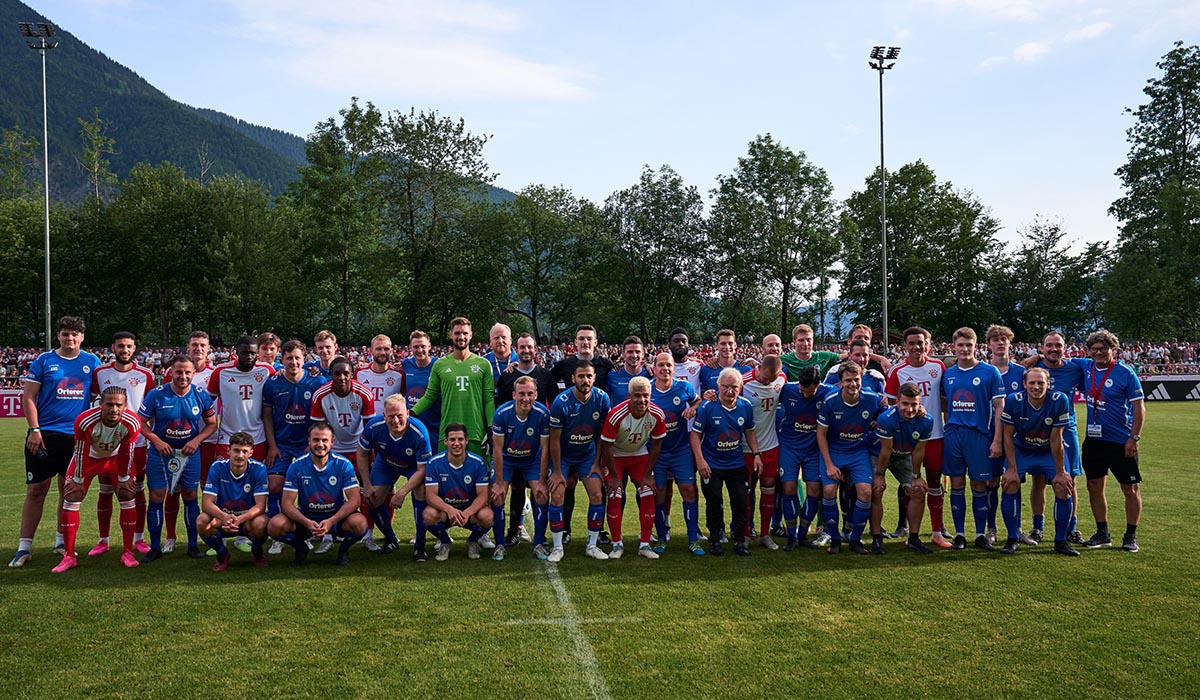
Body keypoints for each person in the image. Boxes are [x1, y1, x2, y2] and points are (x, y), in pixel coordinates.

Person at [11, 316, 101, 569]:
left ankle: (61, 543)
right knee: (36, 490)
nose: (69, 338)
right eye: (65, 334)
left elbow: (100, 398)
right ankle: (23, 547)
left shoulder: (92, 362)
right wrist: (34, 429)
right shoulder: (44, 361)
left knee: (68, 490)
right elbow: (29, 397)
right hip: (44, 435)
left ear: (82, 337)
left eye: (75, 334)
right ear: (58, 336)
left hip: (77, 438)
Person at [137, 354, 218, 563]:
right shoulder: (156, 394)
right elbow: (141, 421)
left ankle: (192, 546)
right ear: (170, 372)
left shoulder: (200, 395)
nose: (183, 376)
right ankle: (155, 547)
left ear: (193, 373)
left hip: (189, 453)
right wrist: (156, 440)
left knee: (190, 494)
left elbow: (211, 424)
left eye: (187, 372)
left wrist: (197, 440)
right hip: (161, 452)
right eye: (179, 372)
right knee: (157, 495)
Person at [53, 387, 143, 573]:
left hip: (116, 459)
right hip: (89, 459)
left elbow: (128, 451)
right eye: (109, 404)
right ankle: (69, 555)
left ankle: (127, 551)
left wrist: (125, 477)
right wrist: (77, 479)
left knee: (127, 494)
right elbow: (80, 451)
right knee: (72, 496)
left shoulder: (132, 422)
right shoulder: (85, 420)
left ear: (125, 406)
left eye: (119, 405)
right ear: (100, 404)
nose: (114, 409)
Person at [1078, 329, 1145, 552]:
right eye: (1094, 349)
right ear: (1089, 350)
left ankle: (1130, 535)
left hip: (1121, 441)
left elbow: (1139, 407)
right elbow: (1055, 359)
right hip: (1094, 441)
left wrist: (1133, 438)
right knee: (1094, 486)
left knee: (1130, 488)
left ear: (1112, 349)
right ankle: (1102, 532)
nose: (1098, 352)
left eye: (1103, 348)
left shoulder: (1125, 373)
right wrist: (1035, 357)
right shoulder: (1086, 367)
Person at [89, 331, 155, 557]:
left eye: (128, 346)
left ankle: (139, 538)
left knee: (136, 490)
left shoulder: (146, 374)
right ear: (113, 348)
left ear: (134, 349)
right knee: (105, 490)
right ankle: (103, 540)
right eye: (120, 346)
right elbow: (95, 404)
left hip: (137, 444)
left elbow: (149, 409)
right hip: (107, 443)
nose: (124, 350)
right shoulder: (100, 373)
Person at [999, 368, 1078, 556]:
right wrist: (1011, 468)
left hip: (1047, 451)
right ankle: (1012, 538)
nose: (1036, 387)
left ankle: (1060, 541)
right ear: (1024, 384)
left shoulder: (1059, 400)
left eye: (1041, 383)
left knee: (1062, 485)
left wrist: (1060, 472)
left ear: (1048, 384)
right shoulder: (1013, 400)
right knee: (1010, 483)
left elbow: (1056, 439)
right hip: (1022, 450)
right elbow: (1008, 435)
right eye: (1032, 383)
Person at [884, 327, 950, 548]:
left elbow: (944, 397)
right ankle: (905, 527)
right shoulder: (897, 371)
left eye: (920, 342)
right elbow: (890, 404)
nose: (916, 347)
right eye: (911, 343)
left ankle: (937, 530)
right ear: (905, 346)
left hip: (934, 434)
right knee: (909, 482)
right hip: (906, 439)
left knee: (933, 482)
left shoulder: (938, 367)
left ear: (927, 344)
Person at [940, 327, 1005, 551]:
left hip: (979, 436)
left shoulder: (989, 372)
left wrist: (996, 440)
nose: (965, 349)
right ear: (954, 347)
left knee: (979, 484)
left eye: (969, 345)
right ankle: (959, 534)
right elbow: (944, 404)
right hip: (954, 436)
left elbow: (999, 408)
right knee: (957, 483)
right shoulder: (948, 374)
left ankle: (979, 534)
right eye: (961, 345)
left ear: (976, 346)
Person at [268, 421, 368, 566]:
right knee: (275, 526)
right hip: (307, 519)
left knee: (360, 523)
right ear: (308, 441)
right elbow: (286, 504)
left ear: (332, 441)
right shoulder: (296, 466)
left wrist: (331, 521)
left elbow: (355, 500)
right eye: (315, 440)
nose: (320, 444)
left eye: (324, 440)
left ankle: (343, 551)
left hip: (335, 518)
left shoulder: (343, 464)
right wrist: (307, 522)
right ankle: (300, 547)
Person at [1021, 331, 1087, 545]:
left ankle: (1071, 528)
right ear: (1042, 348)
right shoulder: (1033, 368)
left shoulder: (1075, 367)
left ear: (1065, 347)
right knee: (1038, 481)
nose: (1053, 349)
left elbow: (1097, 361)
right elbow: (1018, 367)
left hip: (1066, 431)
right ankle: (1037, 528)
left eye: (1058, 345)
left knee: (1069, 480)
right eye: (1049, 345)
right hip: (1038, 432)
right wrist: (1034, 359)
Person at [691, 367, 761, 557]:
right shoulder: (707, 407)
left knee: (740, 500)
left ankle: (739, 540)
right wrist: (700, 461)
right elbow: (695, 435)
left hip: (736, 463)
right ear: (718, 386)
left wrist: (756, 454)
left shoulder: (745, 406)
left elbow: (750, 431)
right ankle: (715, 539)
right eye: (725, 386)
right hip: (712, 464)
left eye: (734, 387)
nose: (730, 391)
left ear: (740, 387)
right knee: (714, 502)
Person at [261, 340, 323, 553]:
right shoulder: (272, 383)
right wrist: (272, 445)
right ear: (282, 359)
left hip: (308, 445)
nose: (293, 362)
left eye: (297, 357)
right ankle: (278, 534)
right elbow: (267, 416)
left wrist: (312, 444)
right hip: (282, 445)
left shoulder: (316, 382)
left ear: (304, 359)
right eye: (289, 358)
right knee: (275, 485)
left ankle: (309, 532)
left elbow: (321, 417)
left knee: (310, 487)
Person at [494, 333, 556, 547]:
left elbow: (552, 404)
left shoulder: (545, 375)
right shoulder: (507, 375)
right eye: (522, 347)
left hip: (534, 445)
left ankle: (549, 534)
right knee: (515, 488)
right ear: (516, 350)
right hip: (511, 445)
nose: (526, 351)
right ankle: (513, 531)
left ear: (535, 349)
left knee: (540, 489)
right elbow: (501, 408)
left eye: (529, 347)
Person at [816, 361, 884, 554]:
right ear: (841, 382)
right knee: (829, 490)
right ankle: (835, 539)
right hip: (834, 451)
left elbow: (888, 411)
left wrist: (878, 421)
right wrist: (829, 464)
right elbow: (820, 434)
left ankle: (855, 539)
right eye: (848, 380)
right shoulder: (831, 401)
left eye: (856, 379)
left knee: (865, 492)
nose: (853, 384)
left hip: (858, 451)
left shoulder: (872, 399)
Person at [310, 357, 375, 552]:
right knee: (328, 492)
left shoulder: (363, 393)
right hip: (333, 449)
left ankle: (368, 534)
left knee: (366, 491)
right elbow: (319, 430)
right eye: (337, 373)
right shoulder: (320, 395)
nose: (342, 377)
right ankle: (327, 535)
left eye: (346, 373)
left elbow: (369, 429)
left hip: (359, 448)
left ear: (352, 374)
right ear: (330, 375)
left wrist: (366, 454)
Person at [356, 395, 433, 561]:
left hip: (413, 466)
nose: (396, 420)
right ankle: (391, 538)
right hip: (386, 463)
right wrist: (367, 484)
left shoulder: (419, 432)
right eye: (391, 416)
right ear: (384, 415)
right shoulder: (374, 426)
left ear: (407, 413)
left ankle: (420, 544)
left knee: (421, 489)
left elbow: (422, 469)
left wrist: (402, 492)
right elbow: (361, 453)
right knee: (372, 497)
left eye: (400, 416)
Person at [160, 330, 217, 554]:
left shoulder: (216, 373)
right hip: (178, 442)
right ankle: (171, 536)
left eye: (203, 345)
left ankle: (209, 534)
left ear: (209, 348)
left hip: (209, 439)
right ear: (188, 346)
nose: (198, 349)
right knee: (172, 490)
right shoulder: (171, 372)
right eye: (194, 345)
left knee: (208, 489)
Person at [549, 361, 611, 558]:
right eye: (581, 376)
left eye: (589, 376)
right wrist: (558, 471)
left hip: (587, 455)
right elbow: (555, 440)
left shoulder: (602, 398)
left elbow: (602, 434)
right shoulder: (561, 402)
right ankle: (558, 546)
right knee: (558, 494)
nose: (585, 380)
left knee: (597, 495)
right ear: (573, 378)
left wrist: (596, 462)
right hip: (564, 456)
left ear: (594, 378)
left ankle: (592, 545)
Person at [600, 376, 667, 560]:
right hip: (616, 456)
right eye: (637, 396)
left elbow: (656, 445)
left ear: (650, 395)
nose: (642, 400)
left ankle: (644, 544)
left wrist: (647, 475)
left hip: (639, 455)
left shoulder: (657, 414)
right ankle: (616, 543)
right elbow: (605, 446)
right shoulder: (616, 415)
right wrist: (613, 477)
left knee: (647, 492)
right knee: (615, 493)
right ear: (629, 396)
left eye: (646, 395)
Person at [411, 317, 495, 456]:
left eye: (465, 333)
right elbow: (430, 396)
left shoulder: (483, 364)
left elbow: (488, 399)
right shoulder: (440, 365)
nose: (461, 337)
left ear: (471, 334)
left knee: (478, 476)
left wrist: (491, 426)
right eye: (457, 333)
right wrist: (412, 413)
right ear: (451, 335)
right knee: (447, 475)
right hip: (447, 434)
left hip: (476, 433)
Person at [777, 365, 837, 550]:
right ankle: (791, 536)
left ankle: (802, 535)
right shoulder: (787, 389)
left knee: (814, 491)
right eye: (802, 391)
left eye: (810, 392)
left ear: (819, 384)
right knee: (788, 488)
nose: (805, 395)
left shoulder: (829, 392)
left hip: (813, 450)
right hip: (789, 447)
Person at [492, 377, 552, 560]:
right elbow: (498, 449)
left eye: (530, 394)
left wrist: (541, 481)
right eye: (521, 394)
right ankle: (500, 545)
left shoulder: (542, 414)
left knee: (541, 493)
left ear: (536, 395)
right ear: (514, 395)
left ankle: (539, 544)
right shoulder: (502, 413)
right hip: (507, 459)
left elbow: (544, 449)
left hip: (531, 460)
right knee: (498, 495)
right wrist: (501, 483)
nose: (526, 398)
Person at [649, 352, 703, 554]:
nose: (665, 369)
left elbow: (697, 402)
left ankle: (692, 539)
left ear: (674, 368)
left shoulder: (684, 387)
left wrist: (693, 409)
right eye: (661, 365)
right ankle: (662, 538)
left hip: (681, 449)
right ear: (654, 368)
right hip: (657, 451)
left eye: (669, 365)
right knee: (660, 493)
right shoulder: (648, 389)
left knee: (689, 490)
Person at [872, 382, 933, 554]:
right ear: (897, 401)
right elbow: (886, 450)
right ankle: (876, 537)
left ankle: (913, 538)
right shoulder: (887, 418)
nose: (910, 409)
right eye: (905, 403)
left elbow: (919, 451)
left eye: (914, 404)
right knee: (876, 489)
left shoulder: (927, 421)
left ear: (920, 403)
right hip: (878, 454)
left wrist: (916, 476)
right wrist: (879, 475)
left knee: (919, 490)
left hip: (903, 456)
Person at [197, 431, 269, 570]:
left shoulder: (259, 468)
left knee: (262, 523)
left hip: (247, 521)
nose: (240, 455)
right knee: (202, 521)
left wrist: (239, 519)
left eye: (244, 451)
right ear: (228, 450)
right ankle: (222, 553)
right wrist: (224, 517)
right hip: (222, 519)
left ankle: (257, 552)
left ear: (251, 453)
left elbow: (260, 506)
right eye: (236, 450)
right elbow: (206, 503)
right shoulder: (217, 467)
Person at [423, 423, 493, 561]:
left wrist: (467, 512)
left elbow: (483, 496)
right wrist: (449, 510)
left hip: (470, 513)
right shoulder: (434, 463)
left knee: (488, 516)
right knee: (428, 515)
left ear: (466, 441)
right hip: (446, 513)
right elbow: (430, 496)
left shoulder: (478, 463)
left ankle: (473, 541)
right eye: (452, 439)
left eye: (460, 439)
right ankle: (445, 541)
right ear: (446, 441)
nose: (456, 443)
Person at [740, 355, 786, 550]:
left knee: (768, 489)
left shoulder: (781, 379)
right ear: (758, 368)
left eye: (771, 379)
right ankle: (745, 533)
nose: (768, 382)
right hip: (745, 448)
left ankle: (765, 534)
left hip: (771, 447)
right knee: (746, 492)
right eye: (765, 378)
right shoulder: (743, 382)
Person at [984, 325, 1025, 544]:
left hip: (1016, 438)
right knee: (991, 482)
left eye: (1004, 339)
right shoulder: (983, 371)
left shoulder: (1021, 373)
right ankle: (991, 528)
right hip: (989, 435)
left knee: (1013, 480)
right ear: (989, 345)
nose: (1000, 343)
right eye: (995, 339)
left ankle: (1016, 529)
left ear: (1010, 343)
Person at [402, 331, 439, 445]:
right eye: (416, 347)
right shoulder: (406, 364)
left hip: (435, 425)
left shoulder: (439, 365)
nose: (419, 350)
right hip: (412, 423)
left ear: (429, 346)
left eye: (423, 346)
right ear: (410, 348)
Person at [355, 334, 404, 414]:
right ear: (370, 351)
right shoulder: (359, 373)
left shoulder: (399, 374)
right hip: (365, 423)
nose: (383, 352)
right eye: (378, 349)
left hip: (389, 423)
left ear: (391, 351)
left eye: (386, 349)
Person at [607, 336, 654, 404]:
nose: (634, 355)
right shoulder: (612, 376)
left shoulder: (651, 374)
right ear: (623, 354)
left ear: (643, 354)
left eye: (637, 352)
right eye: (630, 352)